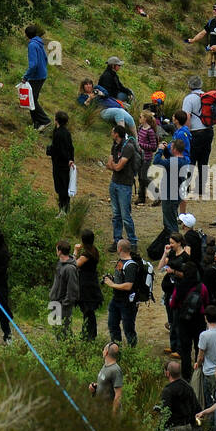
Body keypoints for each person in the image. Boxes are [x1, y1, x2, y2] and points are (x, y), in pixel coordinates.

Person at [158, 357, 201, 431]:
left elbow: (165, 413)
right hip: (188, 427)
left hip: (174, 429)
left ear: (167, 373)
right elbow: (197, 408)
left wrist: (160, 430)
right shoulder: (188, 387)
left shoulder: (168, 391)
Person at [103, 237, 140, 348]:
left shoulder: (131, 265)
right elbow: (120, 278)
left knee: (128, 328)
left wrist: (112, 284)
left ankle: (132, 352)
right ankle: (116, 348)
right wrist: (112, 279)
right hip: (116, 299)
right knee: (112, 325)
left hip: (127, 302)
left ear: (119, 248)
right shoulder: (120, 262)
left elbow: (128, 285)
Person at [107, 122, 138, 251]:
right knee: (116, 215)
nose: (111, 133)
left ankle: (132, 241)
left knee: (125, 215)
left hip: (125, 184)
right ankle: (117, 240)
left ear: (117, 134)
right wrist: (115, 165)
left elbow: (118, 167)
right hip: (114, 182)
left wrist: (115, 165)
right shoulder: (115, 146)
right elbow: (109, 165)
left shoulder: (128, 147)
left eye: (112, 131)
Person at [195, 305, 216, 405]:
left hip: (210, 372)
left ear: (206, 318)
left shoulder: (204, 335)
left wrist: (198, 364)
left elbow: (200, 356)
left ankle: (211, 419)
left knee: (210, 400)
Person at [21, 23, 51, 129]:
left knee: (31, 100)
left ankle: (44, 120)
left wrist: (25, 77)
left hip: (36, 77)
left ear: (27, 35)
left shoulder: (32, 45)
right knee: (32, 99)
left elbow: (33, 65)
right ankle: (36, 124)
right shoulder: (39, 43)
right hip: (42, 75)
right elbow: (46, 59)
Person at [74, 229, 101, 341]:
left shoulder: (86, 254)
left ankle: (88, 335)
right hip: (92, 282)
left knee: (87, 311)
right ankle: (89, 334)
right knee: (89, 312)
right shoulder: (94, 251)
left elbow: (74, 264)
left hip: (86, 285)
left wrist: (75, 251)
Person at [49, 240, 79, 339]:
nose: (56, 251)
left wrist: (65, 304)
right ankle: (58, 351)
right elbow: (72, 258)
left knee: (64, 331)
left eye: (56, 249)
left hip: (62, 305)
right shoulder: (61, 263)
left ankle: (70, 352)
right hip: (54, 302)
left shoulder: (70, 269)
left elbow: (73, 290)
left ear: (60, 251)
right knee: (55, 330)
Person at [46, 111, 75, 211]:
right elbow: (71, 147)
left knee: (61, 188)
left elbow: (58, 149)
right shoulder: (66, 132)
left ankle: (63, 209)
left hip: (59, 164)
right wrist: (71, 159)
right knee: (65, 186)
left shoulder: (58, 133)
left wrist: (49, 150)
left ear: (56, 120)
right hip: (66, 163)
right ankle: (65, 208)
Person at [89, 342, 123, 413]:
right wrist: (94, 388)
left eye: (104, 349)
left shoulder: (115, 370)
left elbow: (118, 395)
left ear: (106, 351)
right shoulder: (105, 366)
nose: (102, 351)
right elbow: (106, 385)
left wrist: (113, 415)